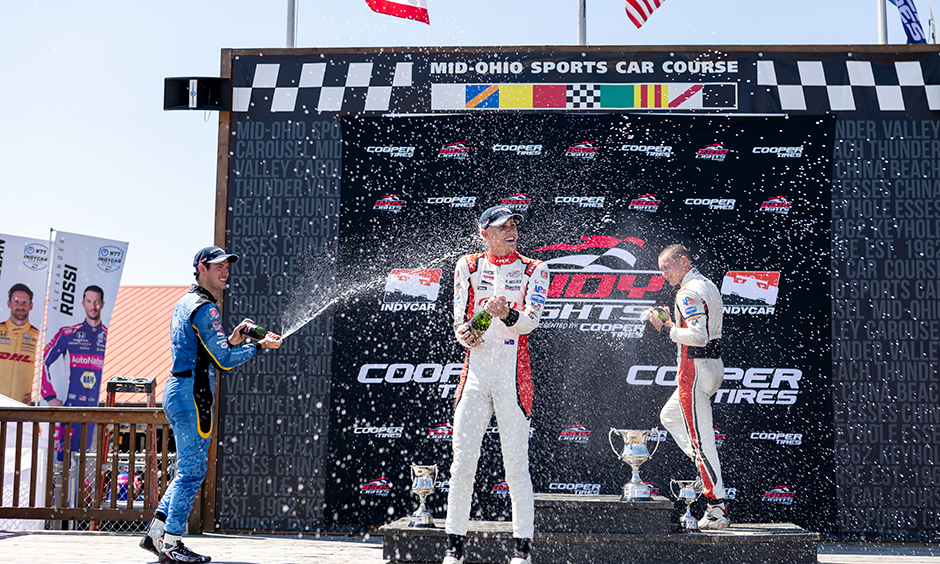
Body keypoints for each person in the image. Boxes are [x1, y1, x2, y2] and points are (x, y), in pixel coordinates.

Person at [140, 246, 281, 564]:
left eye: (227, 266)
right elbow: (225, 362)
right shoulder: (206, 308)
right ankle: (172, 544)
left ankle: (156, 536)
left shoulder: (185, 301)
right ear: (201, 268)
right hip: (193, 394)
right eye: (218, 266)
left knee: (185, 470)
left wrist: (233, 338)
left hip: (179, 389)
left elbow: (208, 351)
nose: (225, 271)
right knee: (192, 471)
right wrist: (258, 346)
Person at [443, 206, 549, 564]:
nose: (511, 231)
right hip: (474, 377)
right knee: (462, 465)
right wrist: (469, 332)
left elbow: (529, 324)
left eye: (514, 225)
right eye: (502, 227)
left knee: (516, 467)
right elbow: (460, 326)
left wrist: (508, 314)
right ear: (485, 233)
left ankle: (521, 553)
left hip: (513, 378)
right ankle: (453, 550)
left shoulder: (536, 269)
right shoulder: (467, 266)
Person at [644, 244, 729, 530]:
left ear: (683, 260)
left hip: (694, 371)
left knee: (700, 443)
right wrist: (672, 320)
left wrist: (664, 327)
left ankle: (716, 508)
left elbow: (698, 336)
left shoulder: (687, 292)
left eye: (668, 267)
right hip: (711, 367)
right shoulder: (706, 284)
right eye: (661, 269)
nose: (665, 273)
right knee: (669, 416)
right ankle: (705, 468)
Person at [40, 285, 108, 457]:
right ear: (83, 303)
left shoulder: (109, 336)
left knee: (85, 459)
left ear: (103, 304)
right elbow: (45, 361)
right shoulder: (69, 333)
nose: (93, 306)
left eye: (97, 302)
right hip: (69, 408)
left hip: (94, 409)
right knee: (63, 460)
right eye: (89, 301)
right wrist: (49, 396)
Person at [0, 283, 40, 404]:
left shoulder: (39, 336)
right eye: (16, 302)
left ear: (31, 306)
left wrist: (36, 395)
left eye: (25, 303)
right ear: (9, 304)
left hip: (23, 408)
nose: (20, 306)